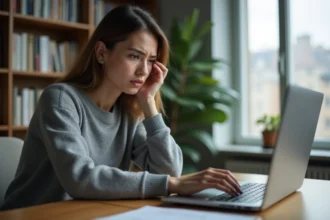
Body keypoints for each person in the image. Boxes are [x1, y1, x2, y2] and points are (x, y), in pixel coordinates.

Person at [1, 5, 242, 211]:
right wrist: (171, 185)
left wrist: (148, 103)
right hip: (32, 215)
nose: (144, 71)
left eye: (150, 60)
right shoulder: (60, 100)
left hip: (87, 213)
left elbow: (169, 169)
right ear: (101, 52)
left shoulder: (128, 111)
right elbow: (80, 179)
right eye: (134, 56)